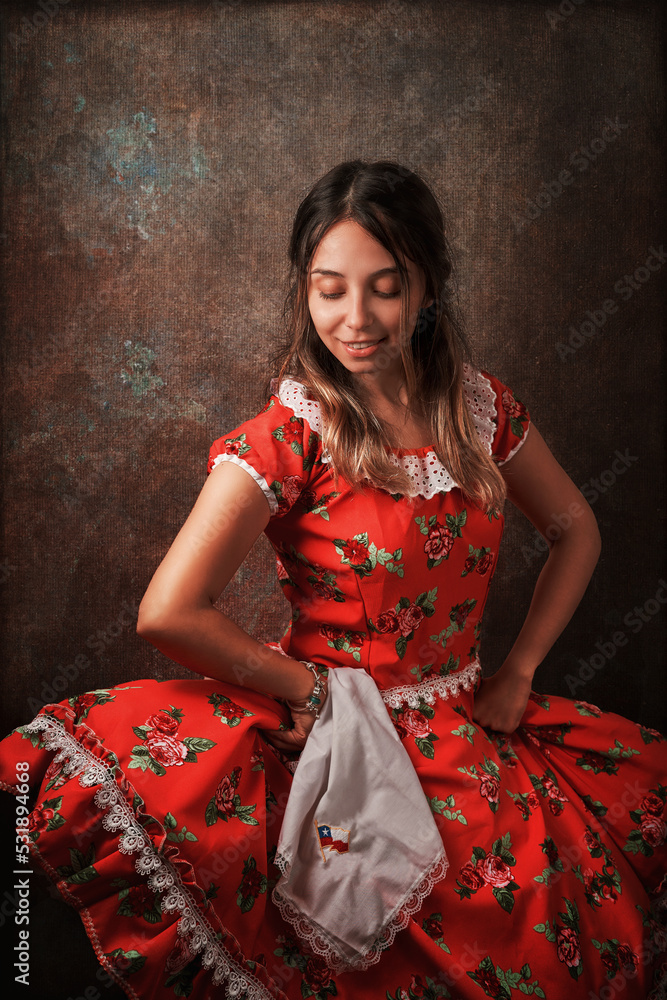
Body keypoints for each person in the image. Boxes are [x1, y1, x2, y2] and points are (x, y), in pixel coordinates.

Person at [1, 159, 665, 1000]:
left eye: (385, 288)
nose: (355, 319)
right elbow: (167, 611)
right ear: (304, 292)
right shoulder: (288, 435)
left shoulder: (480, 410)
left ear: (427, 287)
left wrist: (521, 670)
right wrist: (308, 692)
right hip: (336, 739)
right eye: (328, 289)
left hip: (469, 729)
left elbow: (575, 528)